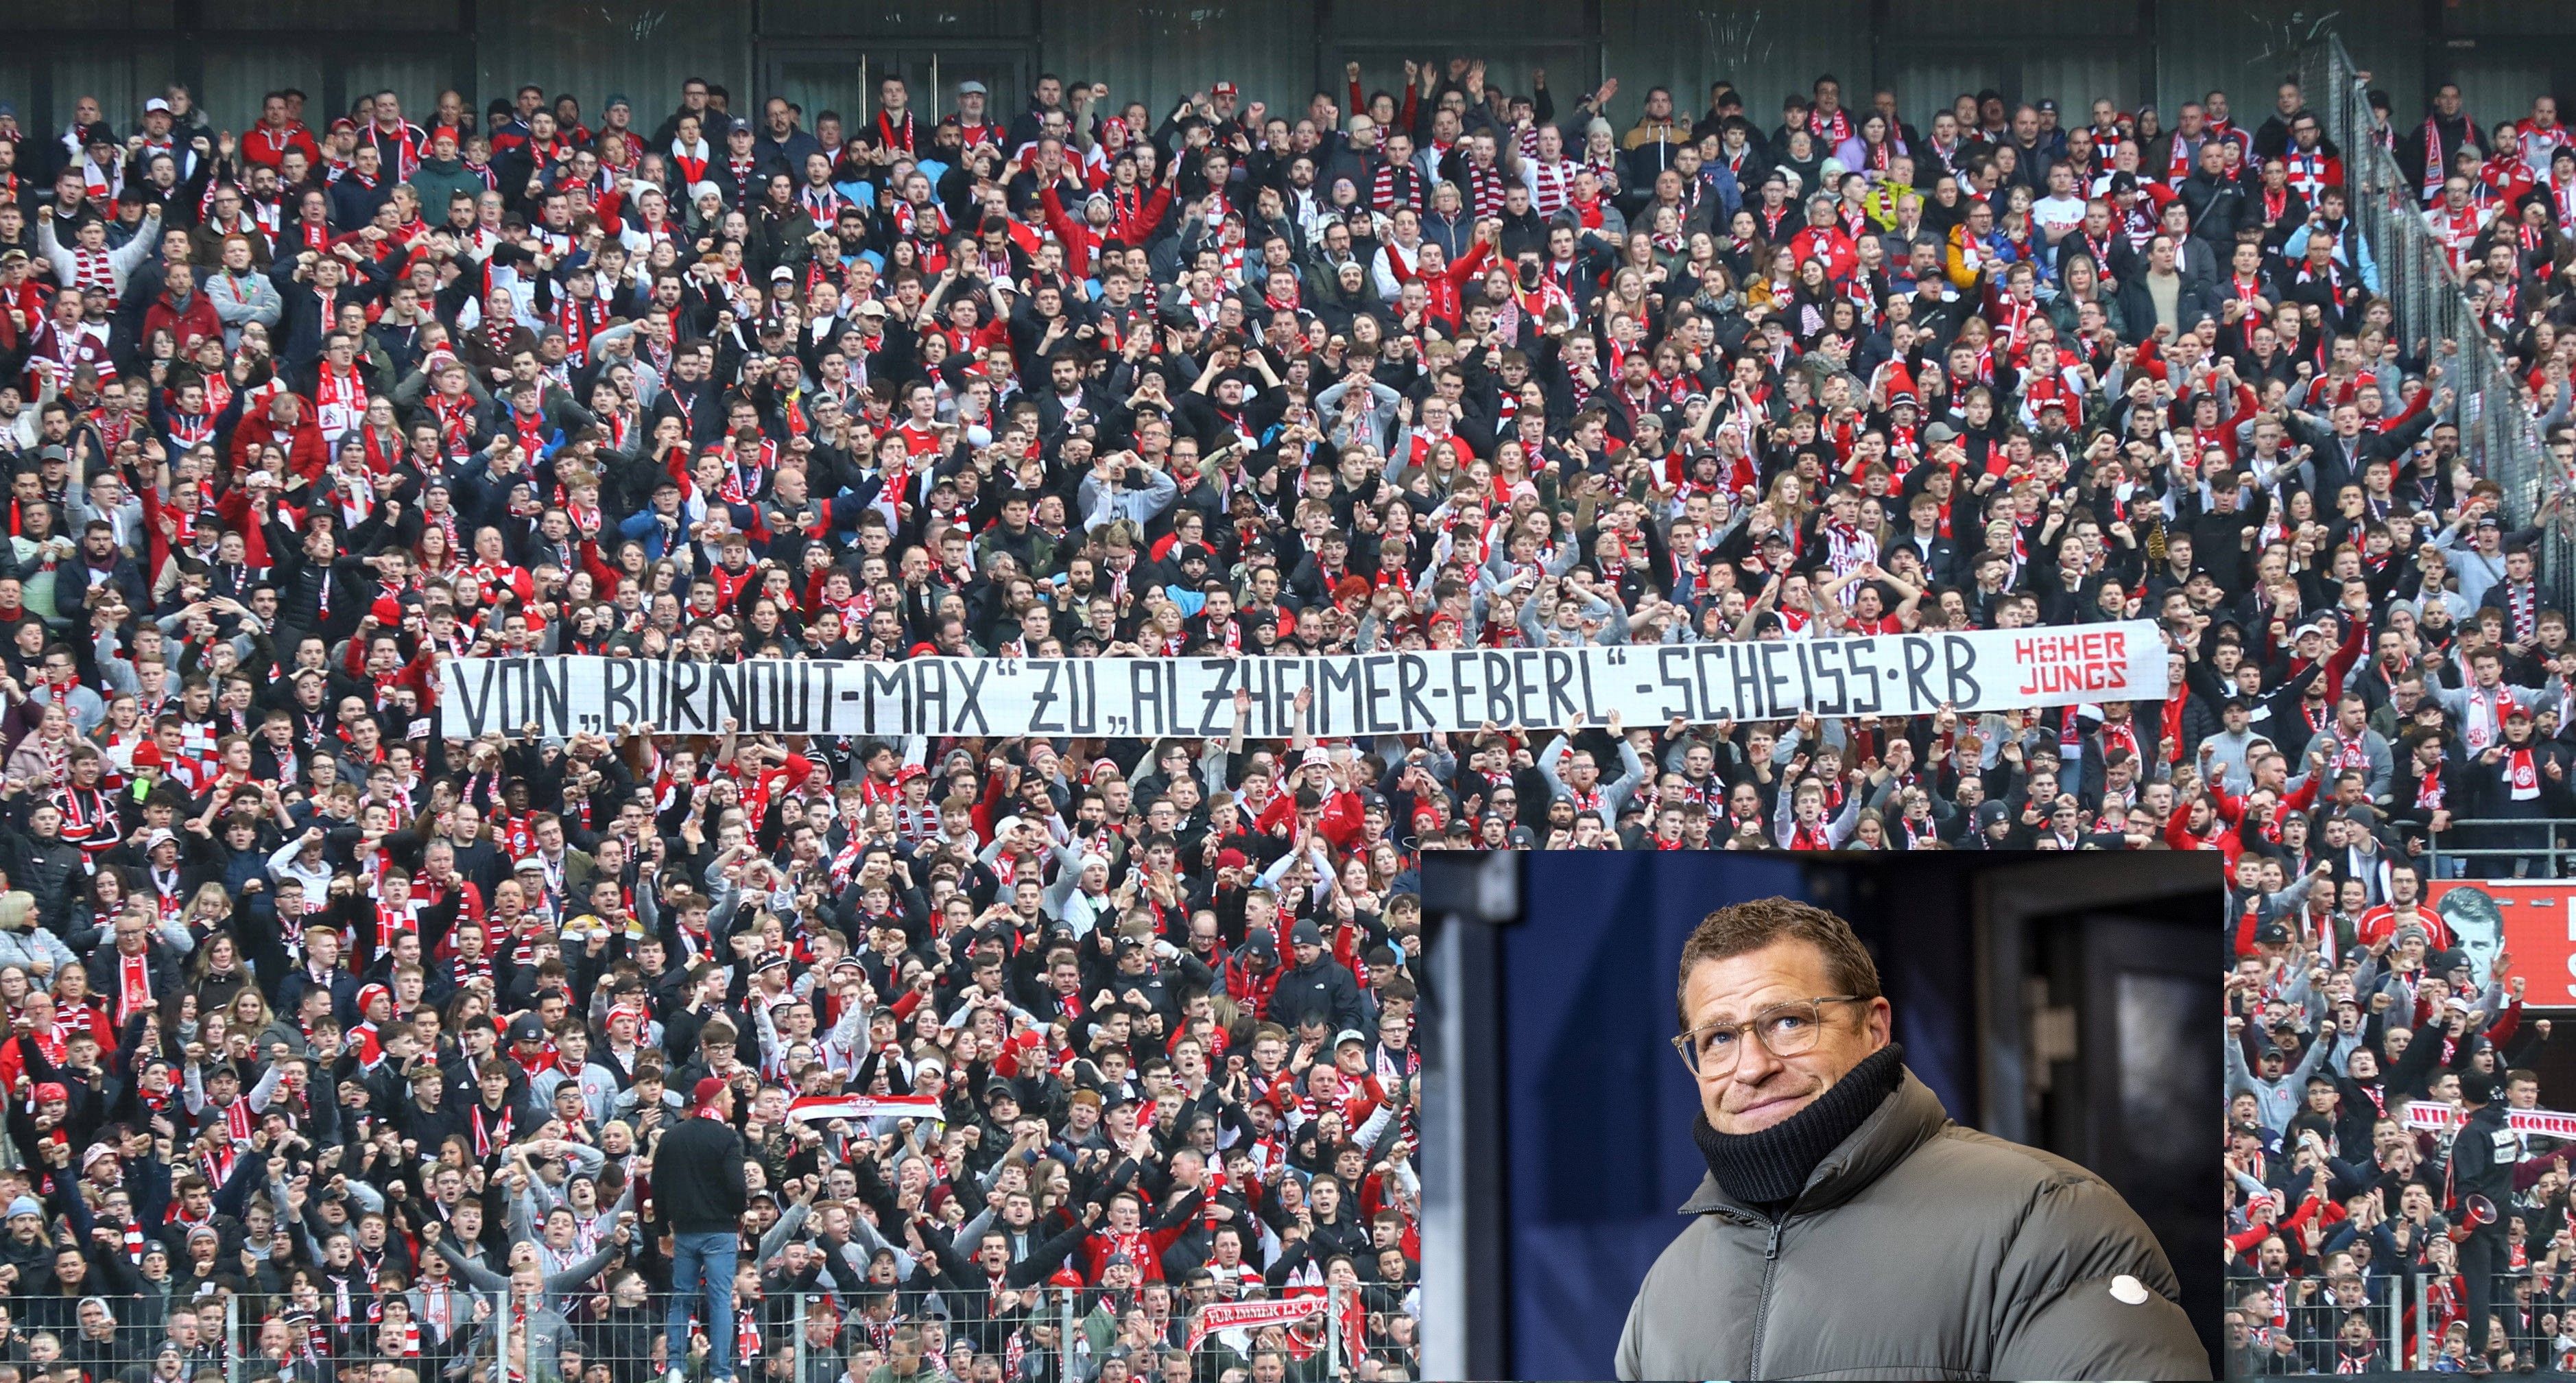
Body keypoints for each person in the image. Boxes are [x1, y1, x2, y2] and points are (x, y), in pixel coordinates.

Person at [1617, 898, 2205, 1380]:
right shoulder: (1668, 1287)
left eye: (1788, 1022)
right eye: (1718, 1038)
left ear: (1874, 1027)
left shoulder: (2047, 1220)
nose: (1751, 1067)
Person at [657, 1076, 750, 1383]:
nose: (734, 1102)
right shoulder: (727, 1139)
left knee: (681, 1298)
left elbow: (658, 1187)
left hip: (684, 1231)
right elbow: (738, 1187)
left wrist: (662, 1229)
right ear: (717, 1102)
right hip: (720, 1231)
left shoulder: (671, 1137)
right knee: (720, 1299)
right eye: (729, 1097)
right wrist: (738, 1213)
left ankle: (674, 1367)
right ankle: (721, 1373)